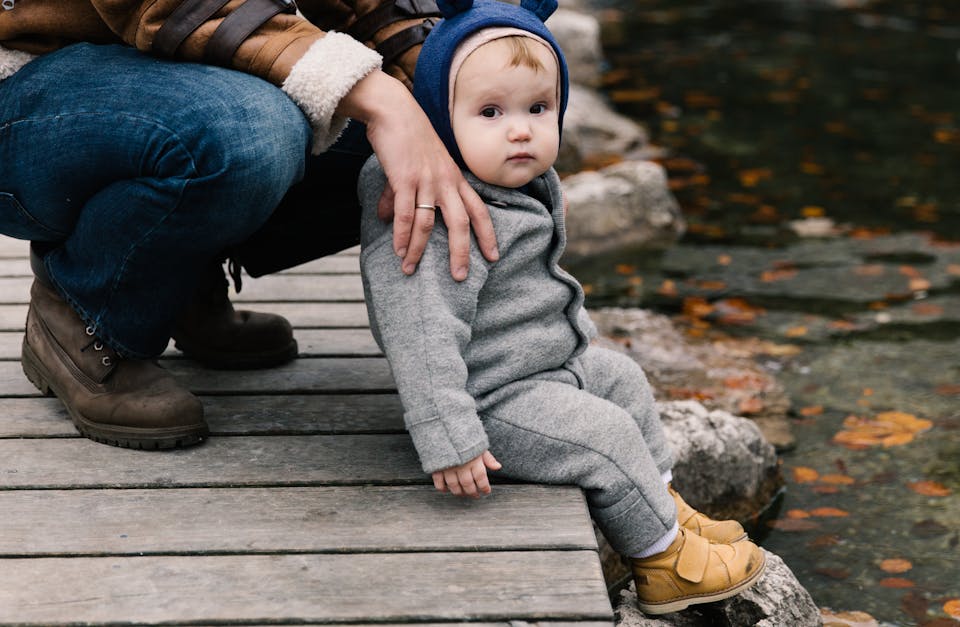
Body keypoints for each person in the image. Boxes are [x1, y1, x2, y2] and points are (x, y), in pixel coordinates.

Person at [357, 0, 767, 615]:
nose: (519, 129)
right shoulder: (432, 210)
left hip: (545, 367)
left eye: (537, 109)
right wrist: (449, 436)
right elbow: (417, 331)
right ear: (438, 121)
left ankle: (666, 509)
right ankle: (663, 562)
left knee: (622, 376)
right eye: (490, 112)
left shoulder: (518, 183)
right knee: (604, 436)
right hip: (489, 398)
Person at [0, 0, 500, 449]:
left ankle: (172, 280)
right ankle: (85, 307)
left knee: (471, 125)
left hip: (169, 66)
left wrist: (444, 79)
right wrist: (386, 101)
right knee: (250, 135)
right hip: (27, 80)